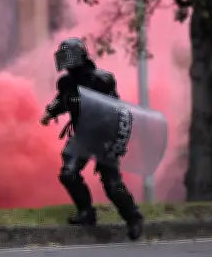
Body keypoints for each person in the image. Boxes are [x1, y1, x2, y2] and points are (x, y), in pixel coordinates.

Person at [40, 37, 144, 241]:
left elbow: (118, 110)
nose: (66, 61)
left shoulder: (102, 80)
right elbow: (63, 100)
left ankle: (133, 217)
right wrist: (50, 113)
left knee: (112, 185)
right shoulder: (66, 82)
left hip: (105, 137)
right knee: (68, 173)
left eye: (69, 55)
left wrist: (117, 140)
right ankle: (86, 212)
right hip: (82, 136)